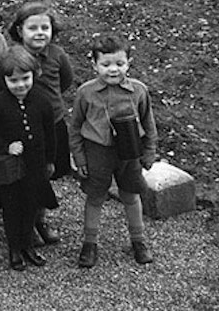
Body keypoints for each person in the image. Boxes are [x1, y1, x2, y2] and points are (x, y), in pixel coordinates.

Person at [69, 33, 157, 268]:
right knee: (96, 196)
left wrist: (149, 151)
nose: (113, 70)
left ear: (129, 62)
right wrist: (79, 157)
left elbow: (149, 123)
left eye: (119, 63)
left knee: (130, 194)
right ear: (94, 64)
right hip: (97, 151)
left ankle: (138, 240)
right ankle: (90, 243)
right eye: (105, 64)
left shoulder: (139, 90)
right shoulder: (86, 93)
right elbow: (75, 127)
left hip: (130, 151)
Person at [0, 45, 58, 271]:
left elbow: (49, 133)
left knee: (31, 205)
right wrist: (5, 146)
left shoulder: (41, 101)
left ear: (34, 75)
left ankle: (28, 245)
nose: (20, 85)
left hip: (35, 166)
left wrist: (50, 161)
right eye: (13, 81)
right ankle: (14, 248)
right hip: (10, 170)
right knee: (12, 209)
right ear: (4, 80)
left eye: (25, 79)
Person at [7, 1, 74, 245]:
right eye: (32, 27)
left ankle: (40, 219)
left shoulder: (57, 55)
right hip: (25, 126)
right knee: (27, 175)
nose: (39, 33)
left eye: (44, 27)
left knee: (47, 173)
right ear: (19, 30)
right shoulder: (13, 55)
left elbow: (66, 81)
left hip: (53, 124)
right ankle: (27, 223)